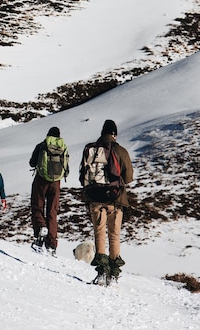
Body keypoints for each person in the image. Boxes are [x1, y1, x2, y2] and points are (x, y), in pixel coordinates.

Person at [79, 119, 133, 282]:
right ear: (114, 134)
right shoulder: (120, 150)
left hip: (95, 198)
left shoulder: (91, 149)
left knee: (99, 233)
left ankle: (102, 272)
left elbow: (83, 176)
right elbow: (129, 177)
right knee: (114, 235)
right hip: (115, 200)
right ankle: (114, 275)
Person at [29, 126, 69, 255]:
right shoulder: (63, 147)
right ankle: (52, 244)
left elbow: (32, 162)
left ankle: (41, 229)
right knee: (52, 211)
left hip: (41, 180)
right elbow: (66, 168)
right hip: (56, 182)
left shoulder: (42, 145)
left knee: (37, 206)